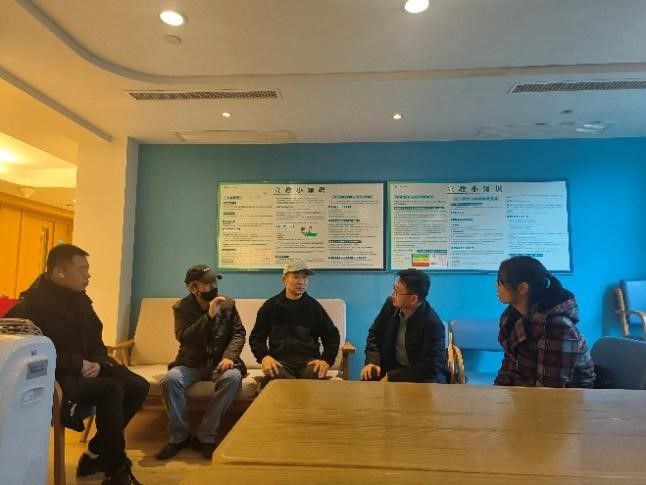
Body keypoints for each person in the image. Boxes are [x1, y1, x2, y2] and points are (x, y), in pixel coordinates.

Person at [6, 244, 148, 485]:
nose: (88, 275)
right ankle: (116, 470)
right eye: (82, 270)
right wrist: (76, 364)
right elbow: (25, 357)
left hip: (87, 370)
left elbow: (96, 340)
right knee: (111, 389)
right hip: (57, 379)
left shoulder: (81, 301)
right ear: (59, 273)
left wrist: (98, 363)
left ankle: (95, 454)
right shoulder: (28, 308)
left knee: (137, 385)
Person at [155, 264, 246, 460]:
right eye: (207, 283)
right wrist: (209, 316)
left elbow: (238, 334)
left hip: (220, 364)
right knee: (170, 380)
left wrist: (229, 356)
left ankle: (206, 435)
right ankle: (179, 437)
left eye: (214, 281)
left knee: (233, 378)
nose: (213, 286)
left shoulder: (228, 304)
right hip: (191, 364)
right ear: (193, 288)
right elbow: (184, 337)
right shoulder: (182, 307)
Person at [494, 255, 595, 388]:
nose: (496, 286)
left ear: (523, 288)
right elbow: (510, 366)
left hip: (568, 397)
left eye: (500, 281)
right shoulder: (512, 316)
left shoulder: (557, 326)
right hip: (528, 392)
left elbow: (549, 388)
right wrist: (497, 393)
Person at [249, 261, 340, 381]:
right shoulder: (270, 306)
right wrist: (264, 357)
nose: (301, 282)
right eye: (296, 277)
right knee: (275, 372)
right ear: (284, 279)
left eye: (305, 277)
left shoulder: (314, 307)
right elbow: (256, 338)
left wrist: (326, 360)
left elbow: (332, 336)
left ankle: (280, 386)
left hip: (309, 363)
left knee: (315, 372)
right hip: (280, 363)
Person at [360, 269, 448, 383]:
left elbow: (429, 366)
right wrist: (372, 361)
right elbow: (375, 334)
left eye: (397, 291)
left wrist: (393, 377)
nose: (392, 294)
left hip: (421, 378)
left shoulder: (433, 324)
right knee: (367, 378)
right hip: (391, 368)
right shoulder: (390, 305)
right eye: (394, 288)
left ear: (413, 299)